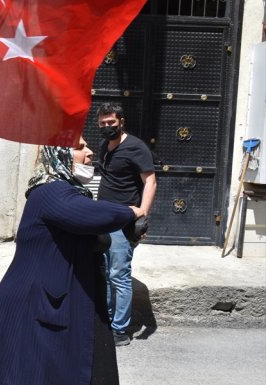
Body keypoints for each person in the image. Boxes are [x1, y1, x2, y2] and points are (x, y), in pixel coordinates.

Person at [0, 139, 140, 385]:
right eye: (79, 148)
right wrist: (131, 212)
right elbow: (89, 216)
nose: (89, 154)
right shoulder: (50, 191)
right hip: (34, 309)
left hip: (66, 304)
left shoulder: (73, 193)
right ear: (56, 154)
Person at [95, 102, 157, 346]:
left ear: (121, 121)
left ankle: (120, 330)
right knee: (107, 274)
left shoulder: (136, 147)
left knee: (119, 275)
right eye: (102, 124)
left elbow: (150, 181)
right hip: (103, 219)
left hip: (122, 221)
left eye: (111, 123)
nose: (107, 127)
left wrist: (142, 212)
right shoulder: (104, 146)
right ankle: (108, 322)